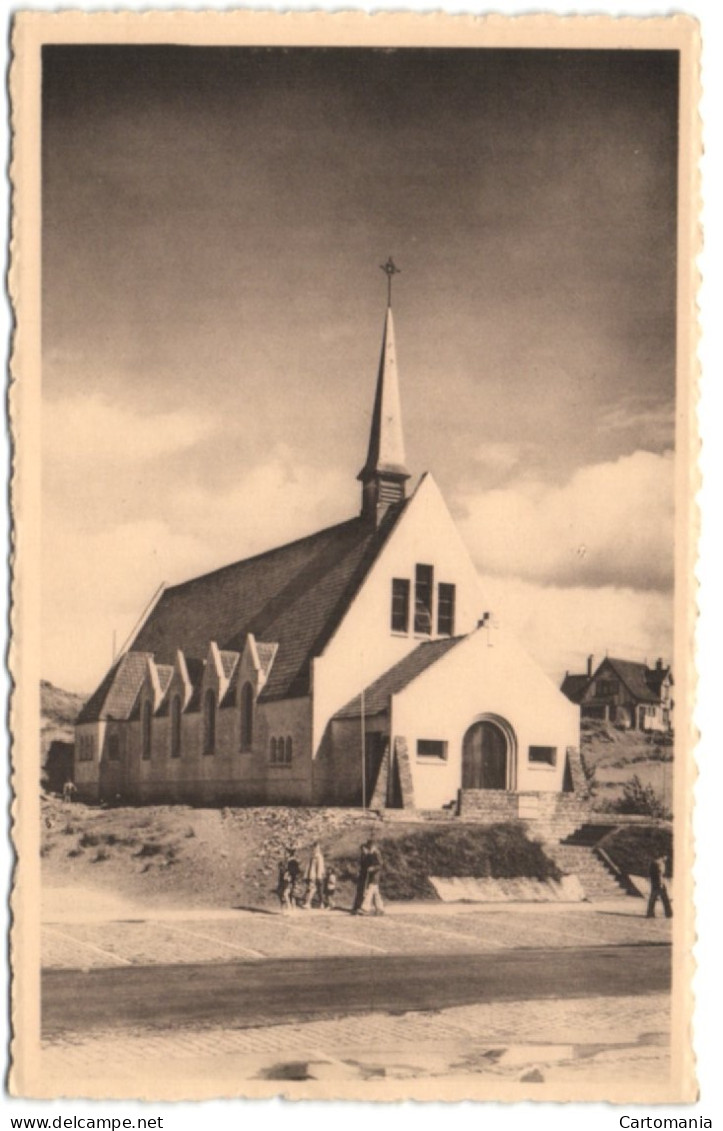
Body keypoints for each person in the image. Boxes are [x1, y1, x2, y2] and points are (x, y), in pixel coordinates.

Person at [359, 837, 384, 916]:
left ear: (374, 846)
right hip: (372, 876)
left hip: (375, 876)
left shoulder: (377, 853)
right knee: (376, 893)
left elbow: (380, 865)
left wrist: (372, 868)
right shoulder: (372, 854)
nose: (369, 848)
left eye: (370, 846)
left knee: (369, 892)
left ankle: (365, 909)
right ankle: (380, 909)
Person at [646, 853, 672, 919]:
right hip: (659, 883)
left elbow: (650, 873)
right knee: (665, 898)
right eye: (666, 857)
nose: (666, 858)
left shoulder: (653, 862)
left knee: (653, 898)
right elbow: (660, 874)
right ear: (663, 856)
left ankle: (650, 913)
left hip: (654, 882)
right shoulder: (660, 863)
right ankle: (668, 913)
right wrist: (661, 883)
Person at [303, 841, 326, 909]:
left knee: (313, 889)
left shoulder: (318, 857)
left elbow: (320, 867)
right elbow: (309, 867)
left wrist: (319, 876)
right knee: (314, 889)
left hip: (315, 876)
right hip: (313, 875)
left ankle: (308, 903)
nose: (314, 849)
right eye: (314, 848)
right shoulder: (313, 856)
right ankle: (320, 904)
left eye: (316, 848)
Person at [352, 839, 371, 913]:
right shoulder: (362, 857)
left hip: (366, 876)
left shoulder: (369, 857)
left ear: (366, 849)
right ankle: (357, 906)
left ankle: (361, 906)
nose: (362, 851)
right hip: (362, 875)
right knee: (359, 891)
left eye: (363, 849)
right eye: (361, 850)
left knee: (364, 891)